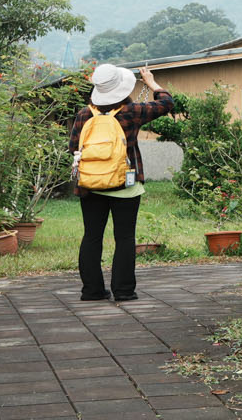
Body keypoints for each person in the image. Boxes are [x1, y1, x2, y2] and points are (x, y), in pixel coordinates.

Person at [68, 62, 175, 302]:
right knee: (124, 237)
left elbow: (74, 147)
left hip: (90, 185)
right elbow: (167, 103)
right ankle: (124, 290)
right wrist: (151, 83)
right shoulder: (131, 111)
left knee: (91, 236)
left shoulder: (84, 114)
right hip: (125, 186)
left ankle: (91, 291)